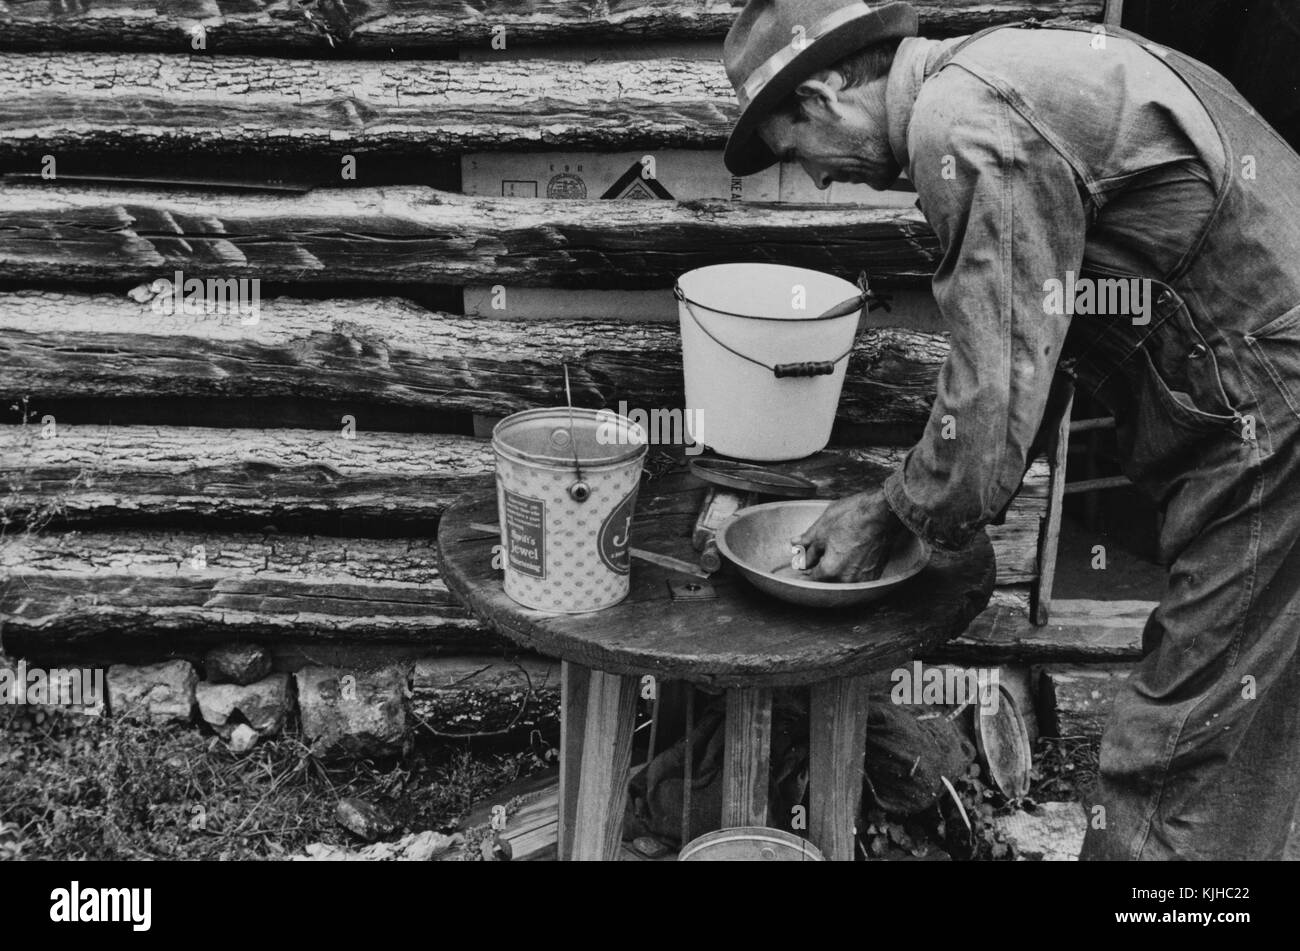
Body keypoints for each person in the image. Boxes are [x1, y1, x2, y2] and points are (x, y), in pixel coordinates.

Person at [721, 0, 1300, 859]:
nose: (816, 178)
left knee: (1177, 759)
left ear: (824, 94)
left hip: (1275, 408)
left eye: (795, 149)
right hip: (1268, 390)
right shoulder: (998, 68)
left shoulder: (962, 126)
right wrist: (932, 499)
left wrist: (895, 510)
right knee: (1241, 727)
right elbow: (1039, 345)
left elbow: (993, 393)